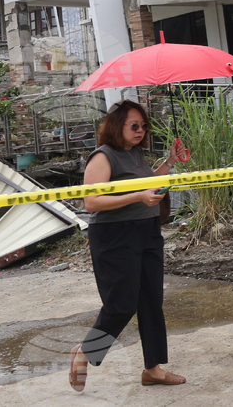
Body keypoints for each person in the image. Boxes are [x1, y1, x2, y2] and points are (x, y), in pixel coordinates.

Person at [68, 99, 187, 392]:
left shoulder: (135, 154)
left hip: (146, 231)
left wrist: (169, 162)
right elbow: (91, 202)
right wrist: (137, 197)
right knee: (121, 304)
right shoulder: (103, 157)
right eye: (134, 125)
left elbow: (146, 185)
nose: (140, 130)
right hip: (114, 234)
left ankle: (153, 369)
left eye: (143, 126)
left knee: (151, 301)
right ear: (116, 125)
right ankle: (85, 352)